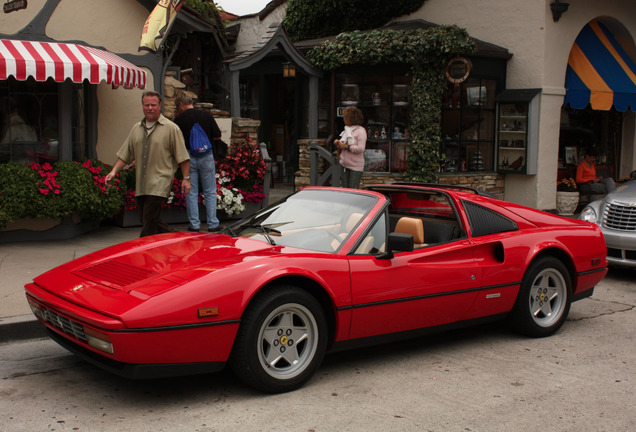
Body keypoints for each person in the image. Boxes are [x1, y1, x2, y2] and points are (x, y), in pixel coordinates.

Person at [105, 90, 191, 237]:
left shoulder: (171, 128)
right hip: (142, 184)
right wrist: (113, 171)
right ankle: (178, 239)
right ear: (143, 106)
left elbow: (182, 156)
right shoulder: (136, 129)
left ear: (160, 106)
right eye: (146, 105)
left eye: (153, 105)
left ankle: (142, 250)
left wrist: (186, 179)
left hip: (159, 183)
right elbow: (126, 153)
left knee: (149, 223)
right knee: (149, 220)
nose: (150, 108)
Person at [173, 92, 222, 232]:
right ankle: (213, 224)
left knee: (191, 191)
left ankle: (194, 225)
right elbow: (217, 134)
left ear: (181, 104)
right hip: (206, 155)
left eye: (178, 107)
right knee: (210, 191)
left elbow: (175, 141)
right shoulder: (206, 115)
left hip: (187, 157)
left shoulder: (179, 119)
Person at [335, 106, 367, 188]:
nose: (343, 119)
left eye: (345, 117)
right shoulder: (346, 130)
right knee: (345, 191)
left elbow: (361, 148)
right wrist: (338, 143)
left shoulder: (361, 131)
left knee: (353, 191)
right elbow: (343, 144)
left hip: (355, 166)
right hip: (344, 164)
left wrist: (347, 147)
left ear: (351, 118)